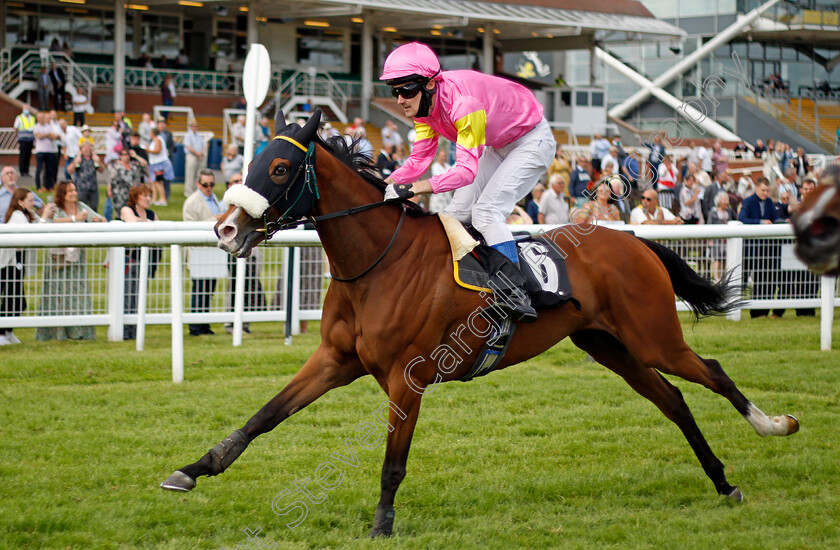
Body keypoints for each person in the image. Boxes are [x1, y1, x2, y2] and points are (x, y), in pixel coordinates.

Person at [380, 42, 556, 322]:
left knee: (486, 212)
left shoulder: (464, 105)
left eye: (407, 89)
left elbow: (465, 172)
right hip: (499, 145)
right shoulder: (425, 111)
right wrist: (381, 184)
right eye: (395, 90)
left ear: (429, 85)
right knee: (454, 215)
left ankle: (515, 291)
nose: (400, 98)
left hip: (532, 140)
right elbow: (418, 162)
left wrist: (413, 189)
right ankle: (464, 288)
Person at [35, 181, 105, 342]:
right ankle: (55, 333)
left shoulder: (81, 207)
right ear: (62, 194)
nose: (74, 193)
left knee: (77, 293)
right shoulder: (55, 208)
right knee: (57, 293)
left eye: (74, 190)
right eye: (70, 191)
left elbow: (99, 217)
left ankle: (79, 331)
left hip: (77, 257)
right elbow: (49, 222)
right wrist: (74, 219)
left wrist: (98, 221)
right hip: (57, 257)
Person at [0, 189, 55, 345]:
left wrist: (48, 217)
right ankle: (2, 333)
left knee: (18, 300)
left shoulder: (28, 215)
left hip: (18, 261)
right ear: (20, 202)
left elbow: (42, 227)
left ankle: (8, 332)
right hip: (8, 262)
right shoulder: (18, 216)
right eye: (30, 200)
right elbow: (32, 233)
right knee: (12, 298)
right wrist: (44, 216)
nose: (33, 203)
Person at [183, 170, 226, 336]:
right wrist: (215, 219)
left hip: (212, 251)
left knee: (208, 290)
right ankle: (195, 327)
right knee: (199, 290)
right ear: (197, 184)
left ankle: (204, 324)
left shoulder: (213, 198)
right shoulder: (192, 202)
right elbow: (189, 225)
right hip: (198, 252)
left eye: (211, 184)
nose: (209, 188)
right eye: (205, 185)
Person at [223, 173, 265, 335]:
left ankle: (245, 323)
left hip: (252, 252)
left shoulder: (250, 204)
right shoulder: (227, 204)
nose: (238, 183)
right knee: (234, 287)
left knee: (249, 287)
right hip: (233, 251)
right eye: (235, 181)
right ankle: (230, 323)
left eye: (240, 181)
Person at [120, 184, 159, 339]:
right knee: (127, 295)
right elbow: (132, 224)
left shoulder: (151, 213)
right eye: (145, 196)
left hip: (145, 261)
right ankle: (125, 331)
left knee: (138, 296)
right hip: (129, 260)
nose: (148, 199)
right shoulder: (126, 209)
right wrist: (146, 223)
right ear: (136, 197)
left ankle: (135, 330)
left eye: (149, 196)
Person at [738, 178, 780, 318]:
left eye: (767, 190)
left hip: (765, 249)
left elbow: (774, 218)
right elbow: (742, 218)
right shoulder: (748, 201)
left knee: (764, 279)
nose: (766, 193)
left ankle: (761, 312)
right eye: (763, 190)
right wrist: (761, 222)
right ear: (756, 188)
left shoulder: (769, 202)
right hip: (750, 249)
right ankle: (738, 310)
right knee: (743, 281)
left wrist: (782, 222)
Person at [706, 191, 736, 282]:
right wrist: (710, 239)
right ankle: (716, 278)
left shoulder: (729, 211)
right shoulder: (713, 212)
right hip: (717, 240)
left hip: (726, 240)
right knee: (716, 258)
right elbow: (709, 225)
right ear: (719, 201)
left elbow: (736, 219)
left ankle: (723, 278)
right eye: (724, 200)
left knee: (724, 259)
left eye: (727, 200)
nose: (727, 202)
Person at [108, 148, 148, 215]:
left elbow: (145, 164)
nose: (125, 156)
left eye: (127, 154)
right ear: (120, 156)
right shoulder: (116, 166)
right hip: (120, 194)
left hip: (133, 193)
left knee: (135, 211)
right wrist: (109, 190)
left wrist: (135, 156)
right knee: (121, 212)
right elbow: (110, 179)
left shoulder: (134, 165)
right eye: (123, 155)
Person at [68, 142, 104, 212]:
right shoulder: (78, 158)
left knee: (94, 207)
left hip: (93, 188)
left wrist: (98, 161)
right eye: (85, 148)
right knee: (82, 207)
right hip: (82, 188)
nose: (87, 150)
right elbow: (69, 171)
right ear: (81, 149)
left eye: (89, 148)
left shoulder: (93, 159)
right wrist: (75, 162)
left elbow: (102, 170)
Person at [146, 126, 174, 206]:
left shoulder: (158, 139)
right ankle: (154, 199)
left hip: (159, 164)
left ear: (153, 133)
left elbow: (157, 150)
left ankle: (163, 199)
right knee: (154, 182)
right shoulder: (154, 140)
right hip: (154, 164)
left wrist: (147, 150)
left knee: (159, 182)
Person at [33, 111, 59, 192]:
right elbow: (39, 136)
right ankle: (38, 187)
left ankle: (48, 186)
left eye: (43, 117)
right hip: (40, 151)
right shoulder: (36, 126)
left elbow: (53, 137)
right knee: (39, 169)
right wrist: (47, 134)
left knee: (49, 170)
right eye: (40, 118)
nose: (42, 119)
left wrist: (44, 134)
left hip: (49, 151)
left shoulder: (49, 126)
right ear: (37, 118)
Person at [183, 120, 205, 197]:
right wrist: (197, 153)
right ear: (190, 126)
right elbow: (188, 147)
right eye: (193, 126)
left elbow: (203, 146)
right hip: (192, 155)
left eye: (196, 126)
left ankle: (198, 191)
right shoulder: (188, 135)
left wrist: (201, 153)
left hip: (199, 156)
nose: (195, 127)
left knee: (199, 174)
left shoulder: (199, 135)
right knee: (190, 174)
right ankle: (188, 192)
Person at [14, 106, 36, 177]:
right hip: (23, 140)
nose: (27, 110)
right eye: (25, 109)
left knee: (28, 156)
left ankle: (26, 171)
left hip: (30, 140)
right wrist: (19, 136)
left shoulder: (32, 118)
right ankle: (22, 171)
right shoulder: (19, 117)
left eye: (28, 109)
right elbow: (15, 128)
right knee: (23, 156)